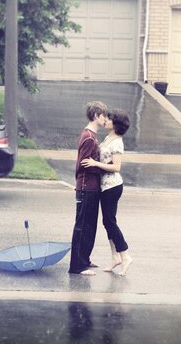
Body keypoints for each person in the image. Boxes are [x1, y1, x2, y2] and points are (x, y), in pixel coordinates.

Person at [81, 109, 132, 276]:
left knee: (110, 222)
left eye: (110, 119)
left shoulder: (117, 142)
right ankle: (115, 257)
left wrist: (95, 163)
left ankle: (125, 256)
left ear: (116, 124)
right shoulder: (108, 138)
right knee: (108, 222)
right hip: (105, 186)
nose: (106, 120)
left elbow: (116, 167)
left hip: (112, 187)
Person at [69, 100, 108, 276]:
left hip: (92, 188)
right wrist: (103, 166)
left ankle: (85, 259)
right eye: (103, 115)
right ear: (95, 116)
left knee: (90, 226)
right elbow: (84, 165)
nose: (106, 119)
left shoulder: (91, 135)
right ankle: (77, 266)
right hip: (86, 188)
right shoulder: (89, 138)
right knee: (82, 227)